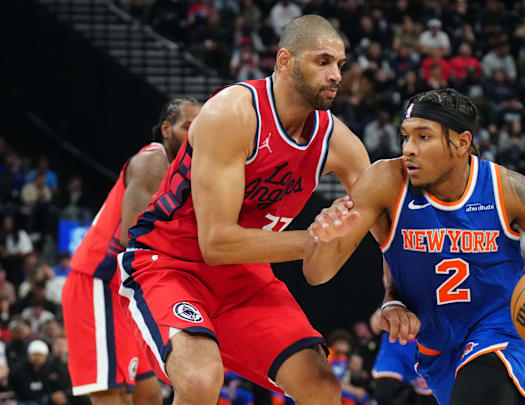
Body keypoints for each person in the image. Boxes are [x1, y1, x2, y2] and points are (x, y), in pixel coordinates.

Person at [118, 15, 375, 405]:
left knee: (322, 386)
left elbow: (388, 219)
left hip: (245, 276)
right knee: (203, 380)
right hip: (169, 263)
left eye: (340, 64)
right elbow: (217, 243)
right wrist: (313, 241)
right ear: (285, 61)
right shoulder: (232, 112)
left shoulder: (337, 141)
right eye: (322, 61)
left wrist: (398, 295)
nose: (336, 74)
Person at [303, 88, 525, 405]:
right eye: (405, 137)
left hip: (500, 325)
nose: (409, 149)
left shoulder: (509, 189)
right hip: (435, 341)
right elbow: (317, 274)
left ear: (462, 142)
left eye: (424, 137)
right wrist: (325, 240)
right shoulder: (384, 181)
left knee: (480, 387)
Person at [62, 97, 201, 404]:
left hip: (128, 292)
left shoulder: (187, 174)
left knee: (148, 395)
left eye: (200, 128)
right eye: (187, 127)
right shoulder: (153, 161)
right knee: (113, 396)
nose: (195, 135)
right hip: (99, 282)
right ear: (166, 129)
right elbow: (132, 236)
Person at [369, 306, 435, 405]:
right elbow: (376, 325)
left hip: (425, 347)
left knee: (429, 399)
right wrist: (381, 311)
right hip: (395, 345)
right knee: (383, 394)